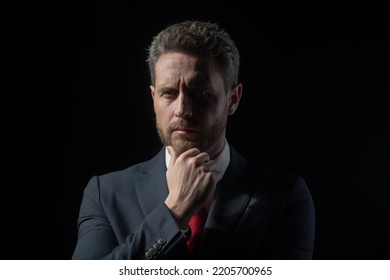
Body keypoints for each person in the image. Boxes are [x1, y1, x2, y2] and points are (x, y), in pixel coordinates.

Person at [72, 20, 315, 260]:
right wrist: (174, 211)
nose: (182, 109)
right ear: (153, 97)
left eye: (201, 94)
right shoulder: (106, 194)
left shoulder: (285, 196)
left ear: (233, 99)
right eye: (169, 93)